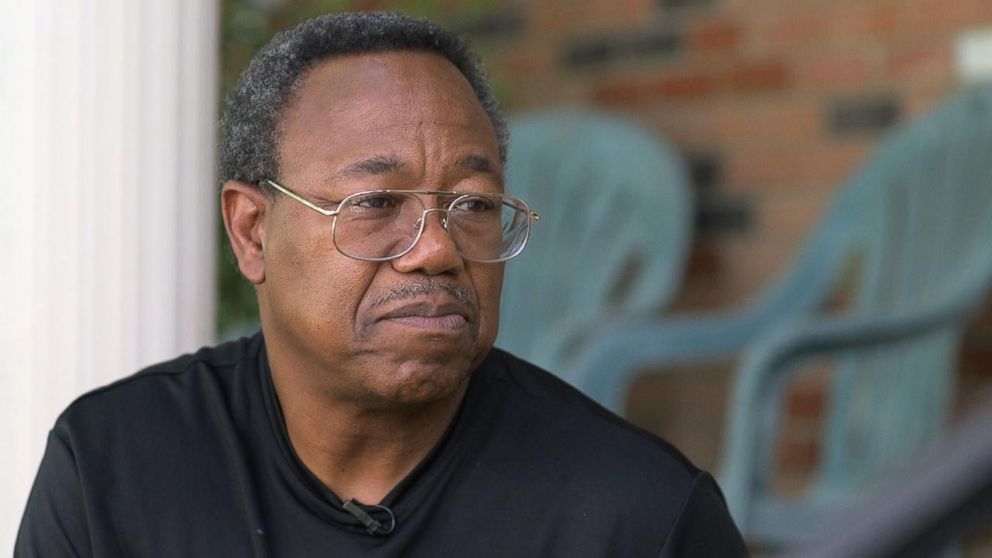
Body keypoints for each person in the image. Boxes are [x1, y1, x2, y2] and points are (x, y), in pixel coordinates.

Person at [16, 11, 747, 557]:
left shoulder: (637, 518)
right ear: (251, 231)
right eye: (373, 205)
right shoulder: (115, 468)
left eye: (474, 206)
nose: (435, 250)